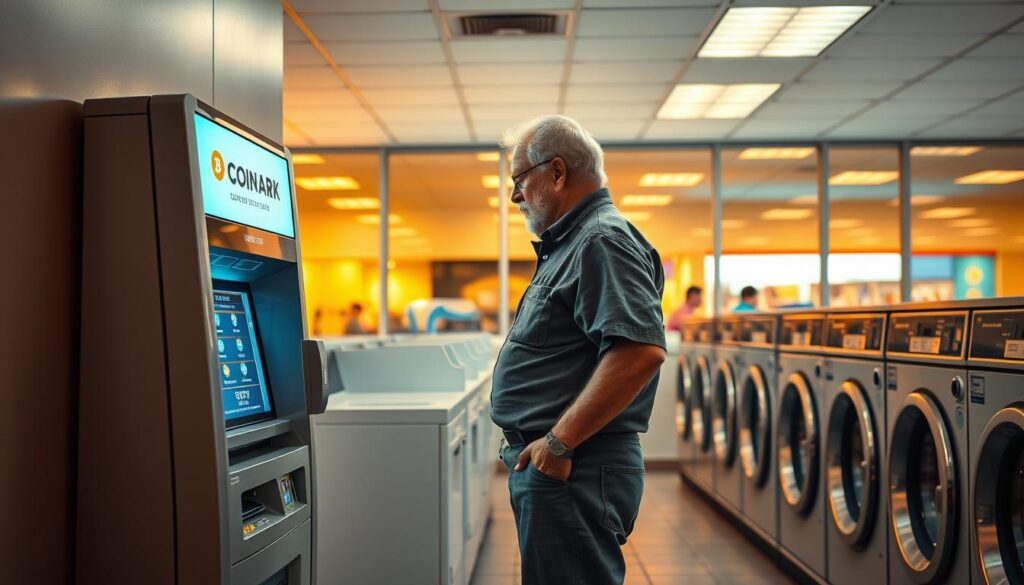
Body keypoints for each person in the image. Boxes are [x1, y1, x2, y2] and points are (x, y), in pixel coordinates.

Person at [491, 115, 667, 585]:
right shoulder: (575, 242)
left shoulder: (600, 240)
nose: (515, 196)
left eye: (519, 180)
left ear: (557, 172)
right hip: (561, 465)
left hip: (574, 466)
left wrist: (557, 443)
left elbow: (639, 351)